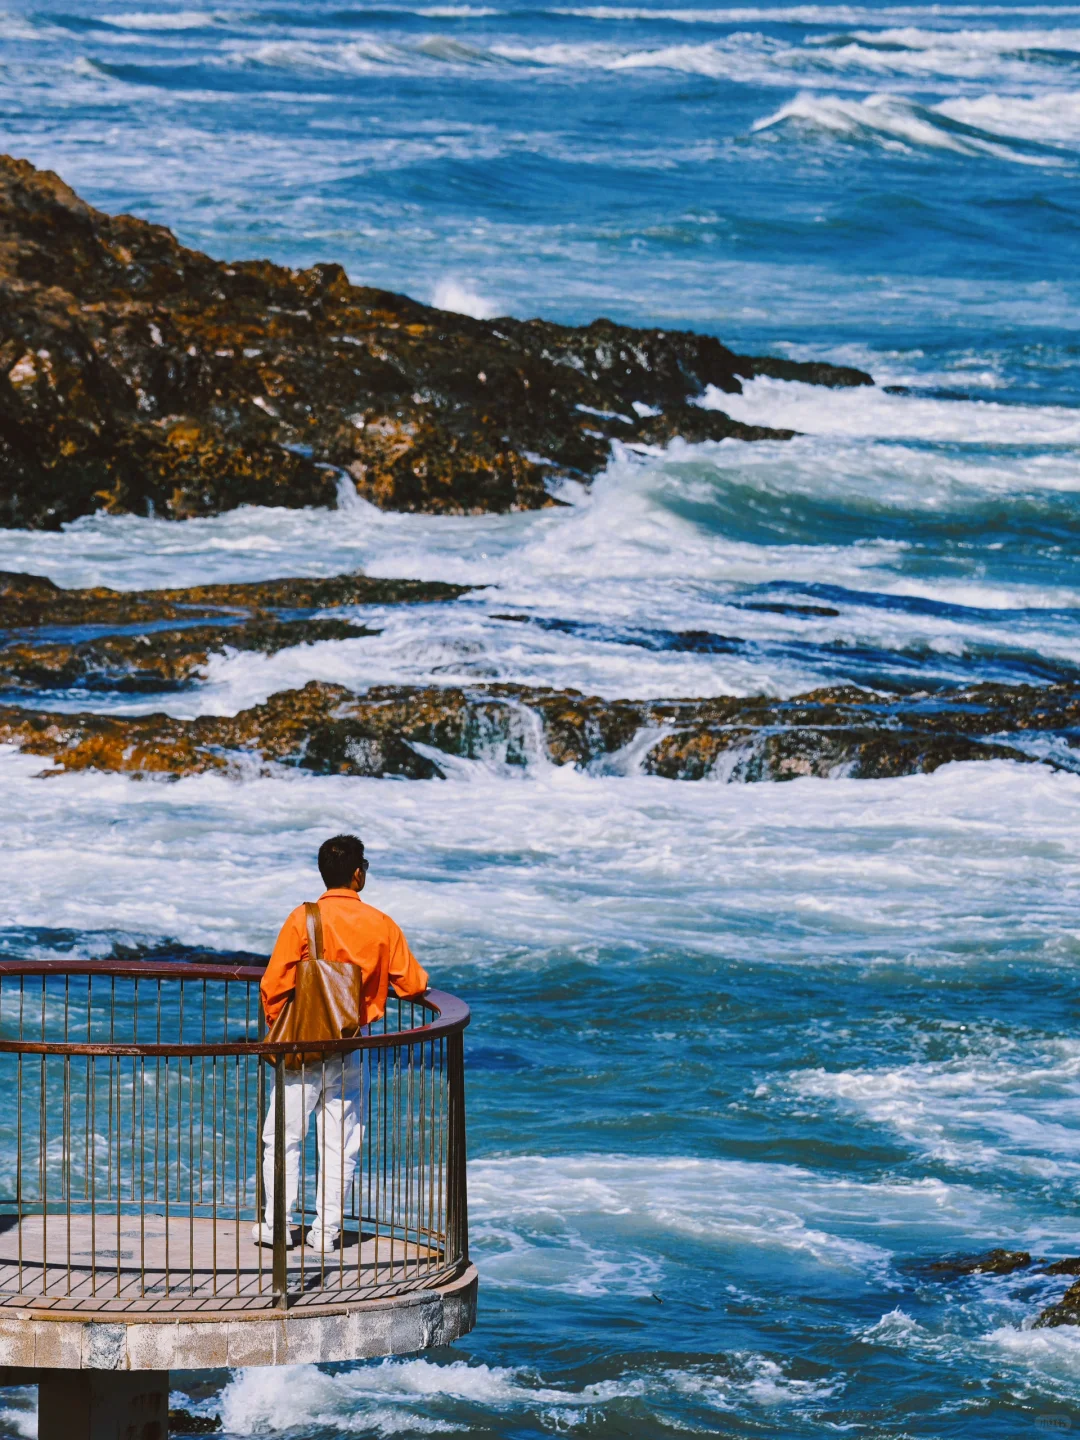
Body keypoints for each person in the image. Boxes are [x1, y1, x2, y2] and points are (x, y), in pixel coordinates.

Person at [252, 833, 429, 1251]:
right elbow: (415, 983)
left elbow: (273, 985)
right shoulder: (381, 924)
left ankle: (277, 1226)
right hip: (352, 1044)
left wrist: (286, 1027)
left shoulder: (303, 918)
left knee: (283, 1136)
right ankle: (326, 1232)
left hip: (303, 1041)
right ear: (357, 874)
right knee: (341, 1141)